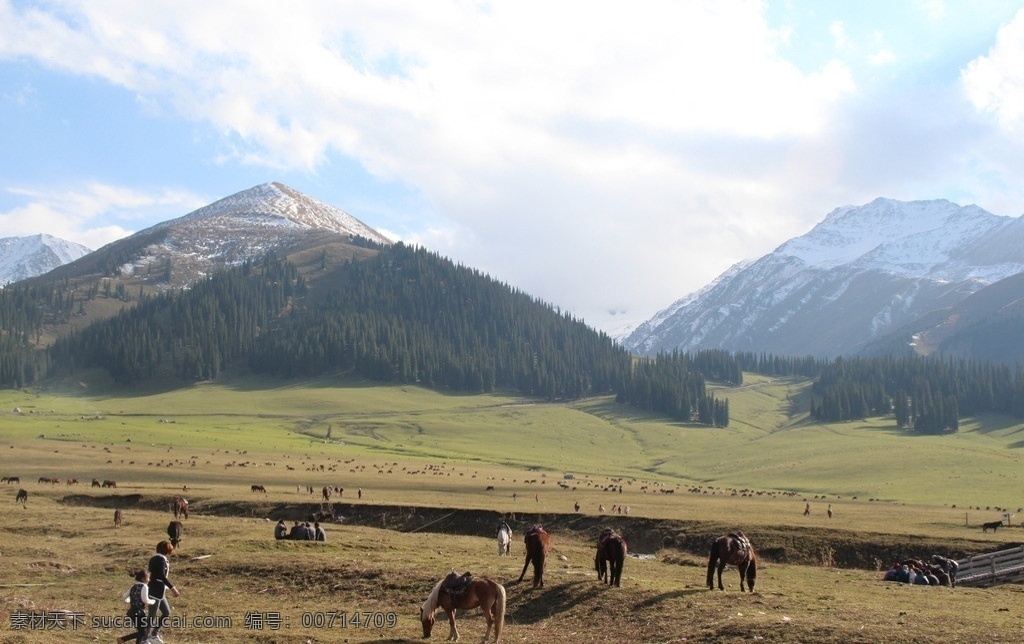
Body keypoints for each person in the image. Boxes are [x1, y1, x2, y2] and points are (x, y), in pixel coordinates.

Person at [146, 540, 180, 644]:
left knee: (166, 612)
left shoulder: (155, 558)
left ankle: (154, 634)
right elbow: (161, 576)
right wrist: (172, 587)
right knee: (152, 615)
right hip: (155, 591)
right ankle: (144, 638)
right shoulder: (160, 560)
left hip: (159, 591)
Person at [118, 569, 155, 644]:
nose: (149, 580)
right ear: (143, 579)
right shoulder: (144, 586)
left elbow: (124, 597)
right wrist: (153, 601)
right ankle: (122, 639)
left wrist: (130, 600)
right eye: (148, 578)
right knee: (143, 632)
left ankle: (123, 640)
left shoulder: (133, 586)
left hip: (132, 612)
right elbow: (145, 600)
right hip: (139, 613)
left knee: (141, 632)